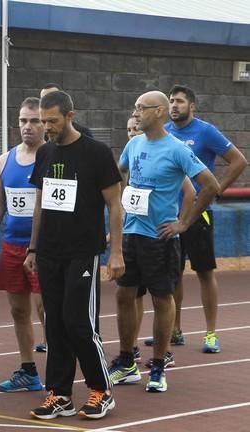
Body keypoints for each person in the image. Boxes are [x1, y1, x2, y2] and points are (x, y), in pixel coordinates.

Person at [109, 91, 219, 394]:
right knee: (123, 295)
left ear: (158, 112)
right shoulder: (133, 145)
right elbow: (119, 179)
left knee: (161, 299)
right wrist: (117, 216)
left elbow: (209, 185)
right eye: (135, 109)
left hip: (160, 238)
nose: (136, 114)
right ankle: (128, 361)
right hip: (132, 234)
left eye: (141, 109)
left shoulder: (176, 149)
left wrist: (184, 222)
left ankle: (158, 365)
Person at [23, 90, 124, 420]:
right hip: (50, 252)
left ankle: (101, 390)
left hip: (83, 252)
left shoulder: (96, 153)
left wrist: (117, 253)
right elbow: (40, 205)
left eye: (52, 121)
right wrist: (33, 248)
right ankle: (59, 393)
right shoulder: (45, 153)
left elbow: (114, 205)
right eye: (43, 121)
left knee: (79, 322)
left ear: (69, 115)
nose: (46, 127)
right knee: (54, 325)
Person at [144, 85, 247, 353]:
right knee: (172, 276)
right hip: (168, 216)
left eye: (180, 101)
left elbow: (238, 161)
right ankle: (174, 330)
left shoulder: (205, 131)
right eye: (171, 101)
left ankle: (211, 333)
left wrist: (217, 189)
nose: (175, 105)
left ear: (192, 106)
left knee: (204, 272)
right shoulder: (164, 133)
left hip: (198, 214)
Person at [0, 97, 45, 393]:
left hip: (44, 250)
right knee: (19, 311)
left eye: (34, 121)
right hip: (12, 245)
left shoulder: (52, 157)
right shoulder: (4, 161)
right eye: (23, 121)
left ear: (44, 123)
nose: (27, 127)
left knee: (47, 311)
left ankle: (59, 369)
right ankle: (28, 370)